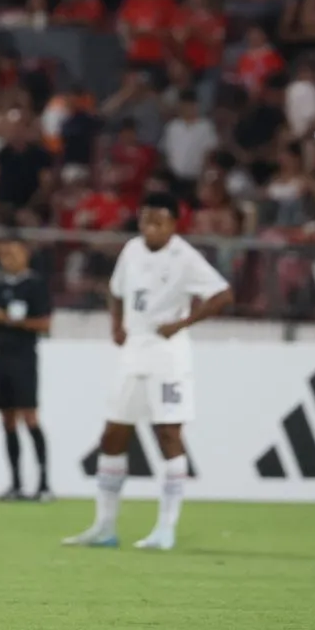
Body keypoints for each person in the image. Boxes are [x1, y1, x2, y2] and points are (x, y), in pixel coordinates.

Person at [63, 192, 233, 551]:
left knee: (168, 434)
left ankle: (166, 528)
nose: (150, 228)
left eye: (158, 221)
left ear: (173, 224)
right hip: (134, 350)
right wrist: (117, 324)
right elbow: (116, 290)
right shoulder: (132, 250)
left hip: (168, 354)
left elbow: (223, 294)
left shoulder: (185, 257)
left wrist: (183, 323)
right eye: (145, 221)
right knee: (113, 434)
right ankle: (105, 526)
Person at [0, 236, 53, 501]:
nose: (7, 259)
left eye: (12, 254)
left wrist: (10, 320)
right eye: (3, 255)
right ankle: (15, 484)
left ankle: (44, 484)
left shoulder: (35, 285)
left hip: (24, 357)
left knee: (30, 417)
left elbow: (44, 324)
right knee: (7, 419)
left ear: (24, 255)